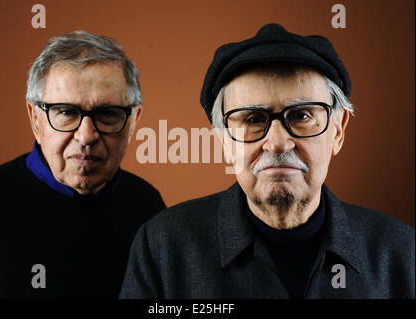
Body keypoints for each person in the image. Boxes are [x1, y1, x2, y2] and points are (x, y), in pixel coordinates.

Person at [120, 23, 414, 299]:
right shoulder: (162, 247)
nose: (277, 142)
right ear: (224, 140)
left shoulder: (401, 252)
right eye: (252, 119)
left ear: (338, 131)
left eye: (301, 116)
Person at [0, 31, 165, 298]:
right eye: (66, 112)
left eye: (106, 114)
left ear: (133, 122)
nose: (86, 136)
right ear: (35, 119)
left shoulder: (148, 206)